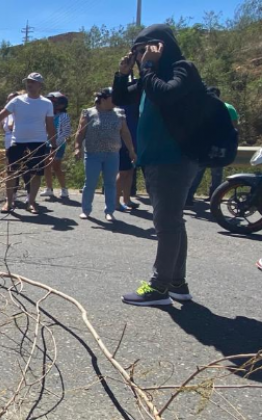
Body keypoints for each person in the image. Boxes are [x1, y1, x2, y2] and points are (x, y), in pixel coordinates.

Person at [113, 24, 204, 306]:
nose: (140, 56)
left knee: (165, 223)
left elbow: (166, 94)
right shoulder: (148, 78)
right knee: (172, 221)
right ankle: (177, 283)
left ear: (161, 47)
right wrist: (123, 74)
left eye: (144, 50)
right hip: (154, 159)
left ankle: (159, 286)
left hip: (174, 159)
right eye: (136, 52)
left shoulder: (182, 68)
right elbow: (121, 98)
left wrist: (149, 67)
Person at [0, 73, 57, 214]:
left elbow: (50, 125)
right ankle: (9, 201)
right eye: (28, 82)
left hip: (38, 142)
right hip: (18, 141)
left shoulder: (47, 103)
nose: (29, 84)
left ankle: (31, 202)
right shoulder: (17, 101)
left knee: (36, 174)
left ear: (40, 85)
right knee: (11, 172)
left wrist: (54, 145)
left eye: (33, 82)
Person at [74, 88, 136, 221]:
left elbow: (125, 133)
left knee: (110, 183)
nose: (116, 101)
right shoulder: (88, 113)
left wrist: (131, 150)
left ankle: (109, 211)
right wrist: (77, 147)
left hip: (112, 154)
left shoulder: (120, 113)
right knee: (90, 183)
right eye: (113, 98)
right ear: (103, 99)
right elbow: (80, 132)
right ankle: (86, 210)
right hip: (92, 154)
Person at [185, 86, 239, 206]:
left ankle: (188, 197)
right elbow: (234, 128)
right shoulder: (228, 108)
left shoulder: (205, 107)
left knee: (198, 172)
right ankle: (215, 198)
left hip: (208, 146)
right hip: (221, 146)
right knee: (216, 173)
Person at [41, 91, 71, 199]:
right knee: (46, 166)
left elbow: (66, 132)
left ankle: (64, 189)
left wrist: (57, 142)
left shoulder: (64, 116)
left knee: (56, 166)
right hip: (46, 143)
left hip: (59, 144)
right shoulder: (47, 115)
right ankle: (49, 188)